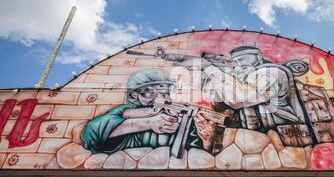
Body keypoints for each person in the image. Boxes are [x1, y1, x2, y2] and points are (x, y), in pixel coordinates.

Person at [81, 68, 216, 154]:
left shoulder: (181, 114)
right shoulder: (126, 112)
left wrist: (207, 140)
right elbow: (91, 133)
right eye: (151, 91)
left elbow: (201, 153)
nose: (159, 95)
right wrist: (148, 123)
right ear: (135, 95)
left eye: (163, 89)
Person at [202, 45, 307, 133]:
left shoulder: (272, 72)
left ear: (259, 56)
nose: (240, 64)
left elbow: (237, 99)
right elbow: (218, 104)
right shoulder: (246, 75)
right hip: (260, 135)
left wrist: (210, 69)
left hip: (287, 133)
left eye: (242, 59)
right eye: (236, 61)